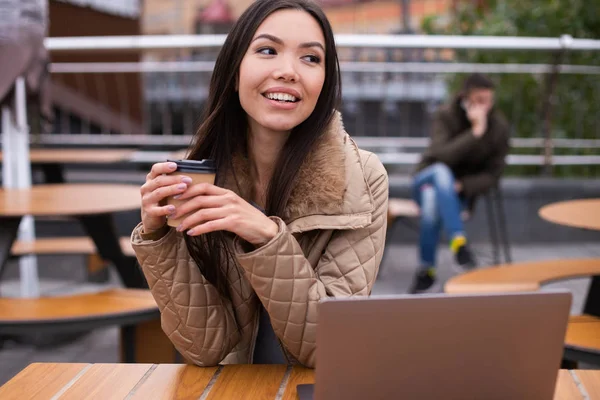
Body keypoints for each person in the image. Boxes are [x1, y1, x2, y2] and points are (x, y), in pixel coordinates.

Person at [131, 0, 388, 368]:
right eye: (267, 50)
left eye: (311, 59)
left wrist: (266, 237)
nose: (288, 71)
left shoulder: (362, 177)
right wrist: (159, 239)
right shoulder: (200, 176)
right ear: (235, 71)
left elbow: (327, 345)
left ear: (324, 82)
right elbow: (206, 349)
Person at [410, 73, 510, 293]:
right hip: (425, 178)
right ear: (466, 97)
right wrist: (474, 134)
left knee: (432, 202)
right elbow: (439, 155)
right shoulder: (446, 115)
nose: (485, 106)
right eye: (479, 100)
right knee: (440, 172)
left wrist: (462, 186)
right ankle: (458, 242)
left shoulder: (498, 127)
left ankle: (427, 271)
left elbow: (493, 175)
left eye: (489, 100)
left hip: (456, 196)